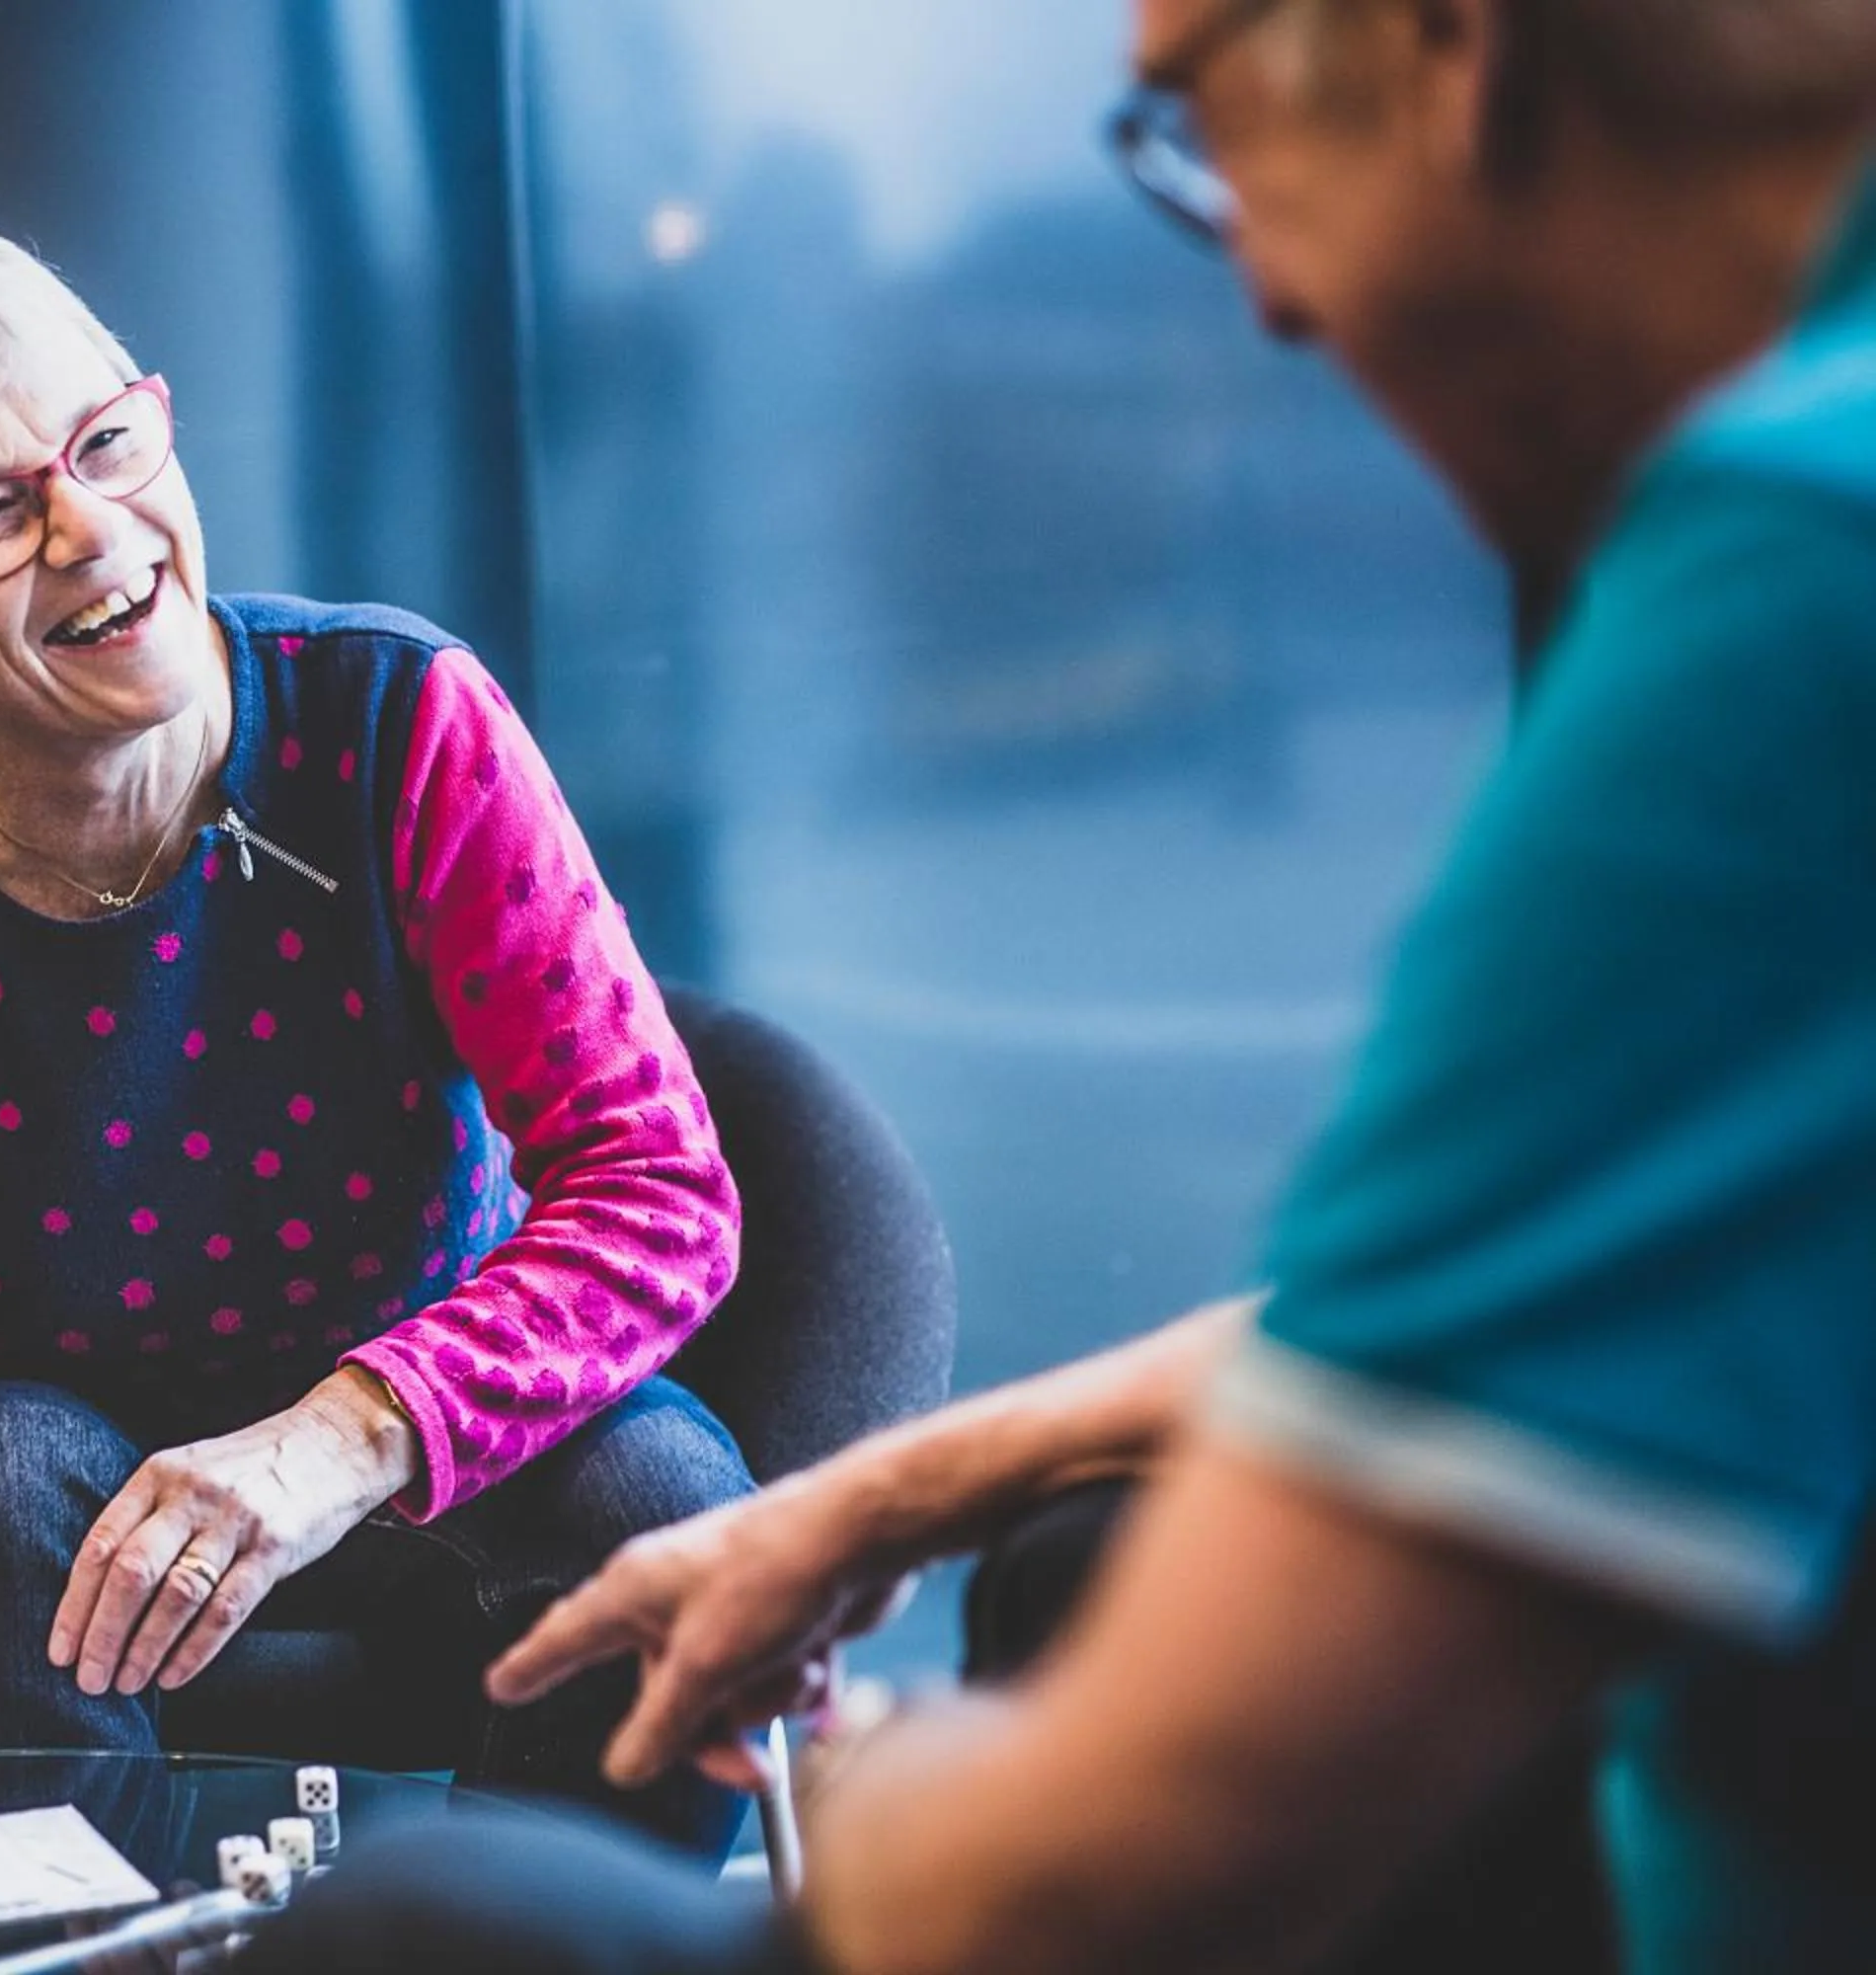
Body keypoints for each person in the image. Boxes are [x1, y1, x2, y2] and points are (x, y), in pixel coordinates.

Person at [248, 0, 1876, 1967]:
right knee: (1077, 1553)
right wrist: (897, 1491)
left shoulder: (1797, 571)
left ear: (1447, 50)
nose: (1261, 292)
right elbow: (1507, 1313)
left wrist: (903, 1784)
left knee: (420, 1925)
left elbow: (1087, 1862)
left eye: (1204, 124)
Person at [0, 196, 904, 1854]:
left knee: (658, 1514)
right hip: (41, 1491)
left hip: (432, 1395)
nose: (93, 530)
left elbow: (656, 1189)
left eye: (106, 439)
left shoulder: (403, 727)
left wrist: (332, 1444)